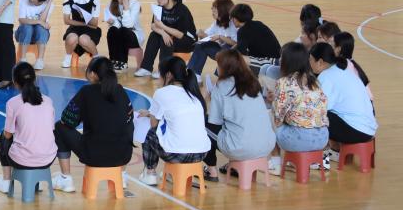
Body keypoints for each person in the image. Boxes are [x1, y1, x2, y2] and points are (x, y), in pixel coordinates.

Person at [54, 56, 133, 193]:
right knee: (129, 123)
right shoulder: (120, 90)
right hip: (123, 155)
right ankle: (122, 174)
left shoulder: (87, 92)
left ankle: (66, 178)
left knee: (60, 127)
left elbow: (66, 120)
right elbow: (129, 118)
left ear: (93, 74)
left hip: (94, 155)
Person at [204, 50, 276, 181]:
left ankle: (211, 170)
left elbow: (215, 121)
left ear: (225, 67)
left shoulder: (221, 86)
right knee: (236, 126)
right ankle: (236, 167)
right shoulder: (253, 82)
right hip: (267, 145)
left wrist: (209, 100)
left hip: (241, 147)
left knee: (202, 123)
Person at [137, 57, 210, 186]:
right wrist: (150, 113)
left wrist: (151, 115)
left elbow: (154, 124)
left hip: (177, 154)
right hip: (201, 153)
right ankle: (172, 174)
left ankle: (150, 173)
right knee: (172, 131)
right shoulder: (193, 92)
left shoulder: (161, 93)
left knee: (151, 133)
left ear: (169, 75)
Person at [0, 62, 57, 193]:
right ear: (35, 78)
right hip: (49, 158)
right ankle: (37, 181)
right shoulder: (48, 101)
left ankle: (6, 181)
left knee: (2, 137)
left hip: (23, 160)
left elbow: (8, 135)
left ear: (15, 82)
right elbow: (51, 129)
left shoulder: (12, 103)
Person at [309, 43, 377, 166]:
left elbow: (319, 108)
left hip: (356, 131)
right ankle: (335, 152)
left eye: (311, 60)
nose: (309, 63)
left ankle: (321, 160)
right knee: (326, 113)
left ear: (320, 62)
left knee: (317, 115)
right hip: (368, 128)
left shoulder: (326, 76)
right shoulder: (342, 70)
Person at [268, 42, 328, 173]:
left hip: (300, 140)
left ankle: (276, 163)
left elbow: (278, 117)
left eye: (282, 57)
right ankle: (296, 161)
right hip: (322, 138)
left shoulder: (284, 82)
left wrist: (274, 102)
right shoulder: (315, 81)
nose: (279, 60)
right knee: (293, 121)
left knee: (269, 115)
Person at [134, 0, 197, 79]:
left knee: (166, 39)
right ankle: (146, 68)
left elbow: (180, 34)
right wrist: (163, 33)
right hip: (171, 36)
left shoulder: (182, 10)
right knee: (154, 35)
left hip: (187, 41)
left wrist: (163, 27)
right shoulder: (159, 8)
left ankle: (163, 70)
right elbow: (153, 26)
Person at [187, 0, 236, 80]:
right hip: (220, 50)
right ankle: (194, 74)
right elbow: (208, 36)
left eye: (215, 8)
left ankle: (224, 77)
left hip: (232, 54)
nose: (212, 9)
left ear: (223, 10)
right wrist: (201, 34)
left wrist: (220, 37)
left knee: (226, 47)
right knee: (201, 45)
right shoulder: (217, 23)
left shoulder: (233, 24)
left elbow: (237, 44)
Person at [61, 0, 101, 68]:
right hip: (75, 27)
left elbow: (94, 24)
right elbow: (67, 20)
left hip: (90, 29)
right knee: (71, 38)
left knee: (83, 39)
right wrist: (84, 23)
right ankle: (68, 57)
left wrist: (84, 16)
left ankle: (96, 58)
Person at [103, 0, 143, 71]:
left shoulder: (134, 3)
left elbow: (129, 25)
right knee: (112, 30)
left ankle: (123, 62)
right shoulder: (111, 4)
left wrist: (126, 8)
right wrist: (112, 22)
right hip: (120, 35)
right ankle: (113, 60)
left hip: (134, 36)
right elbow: (115, 25)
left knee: (123, 30)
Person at [230, 4, 281, 74]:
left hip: (269, 62)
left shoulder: (242, 31)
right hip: (278, 58)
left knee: (236, 59)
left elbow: (241, 53)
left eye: (232, 18)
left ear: (235, 19)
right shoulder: (258, 23)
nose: (232, 21)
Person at [15, 0, 54, 70]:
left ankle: (40, 60)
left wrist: (50, 1)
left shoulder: (48, 5)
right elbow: (22, 20)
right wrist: (39, 22)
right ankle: (23, 59)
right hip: (22, 34)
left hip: (38, 35)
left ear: (40, 1)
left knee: (42, 29)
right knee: (27, 27)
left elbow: (42, 21)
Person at [332, 31, 373, 102]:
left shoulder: (341, 67)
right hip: (367, 104)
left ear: (338, 49)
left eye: (332, 45)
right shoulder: (352, 64)